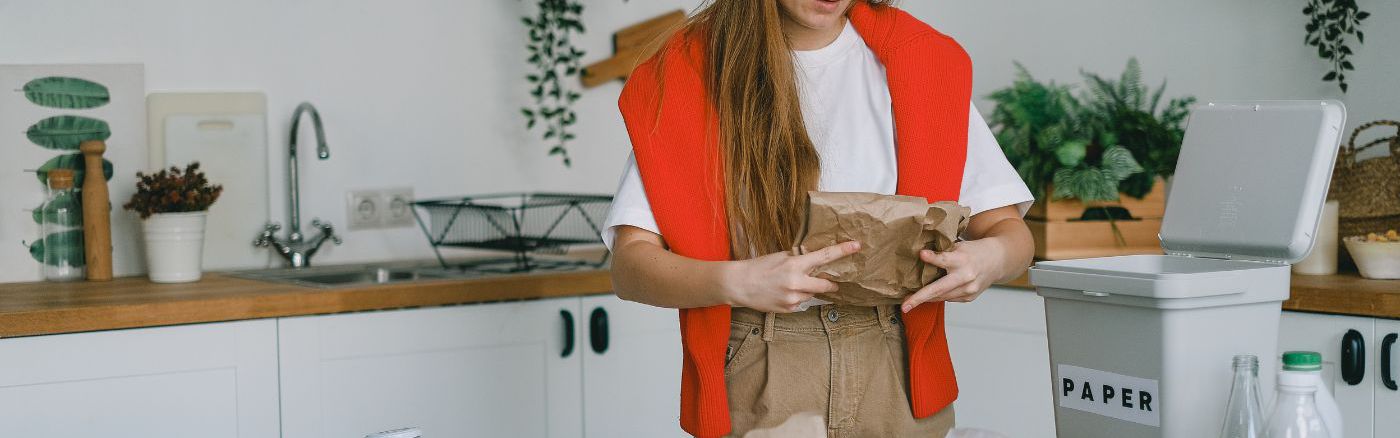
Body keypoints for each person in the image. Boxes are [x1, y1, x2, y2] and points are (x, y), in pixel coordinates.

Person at [606, 0, 1035, 436]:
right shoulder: (687, 74)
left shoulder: (922, 62)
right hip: (761, 365)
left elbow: (1012, 235)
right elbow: (629, 266)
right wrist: (738, 281)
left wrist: (989, 260)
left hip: (895, 365)